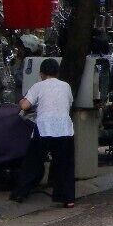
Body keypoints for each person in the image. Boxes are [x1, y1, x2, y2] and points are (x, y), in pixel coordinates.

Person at [10, 58, 76, 207]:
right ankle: (68, 199)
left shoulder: (38, 86)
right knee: (64, 165)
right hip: (64, 129)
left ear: (41, 73)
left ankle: (20, 193)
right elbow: (68, 103)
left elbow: (25, 106)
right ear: (57, 72)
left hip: (44, 128)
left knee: (32, 162)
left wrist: (20, 100)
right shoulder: (66, 86)